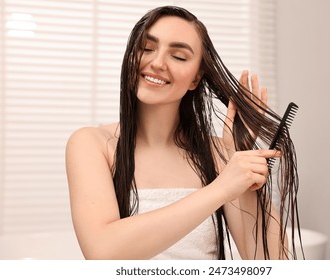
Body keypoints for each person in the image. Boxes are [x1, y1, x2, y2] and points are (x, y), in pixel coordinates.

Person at [65, 6, 300, 260]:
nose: (157, 63)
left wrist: (240, 162)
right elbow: (103, 252)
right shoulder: (93, 144)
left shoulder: (219, 155)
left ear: (195, 79)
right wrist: (220, 188)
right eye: (146, 48)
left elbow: (272, 263)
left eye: (178, 56)